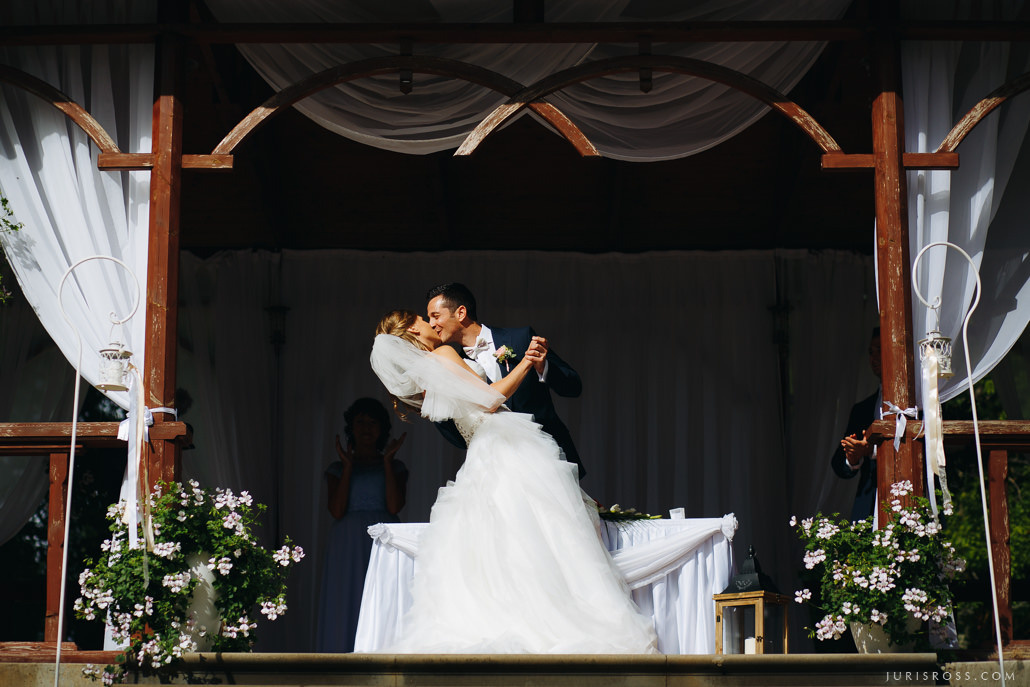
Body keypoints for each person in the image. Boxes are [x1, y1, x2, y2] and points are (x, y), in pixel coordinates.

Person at [368, 309, 658, 654]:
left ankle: (515, 620)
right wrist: (526, 362)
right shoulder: (443, 355)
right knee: (543, 533)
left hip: (483, 453)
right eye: (422, 319)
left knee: (508, 541)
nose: (430, 323)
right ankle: (558, 620)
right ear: (412, 330)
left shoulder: (428, 371)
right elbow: (489, 400)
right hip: (505, 447)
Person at [425, 282, 585, 478]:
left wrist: (543, 367)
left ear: (460, 313)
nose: (431, 324)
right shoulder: (452, 366)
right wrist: (433, 403)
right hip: (499, 468)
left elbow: (573, 387)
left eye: (435, 316)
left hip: (550, 457)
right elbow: (460, 438)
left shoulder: (520, 338)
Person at [316, 397, 408, 653]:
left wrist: (388, 462)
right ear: (351, 427)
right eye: (360, 421)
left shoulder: (397, 466)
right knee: (347, 599)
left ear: (382, 429)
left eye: (372, 422)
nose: (366, 427)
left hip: (384, 539)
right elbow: (336, 510)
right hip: (347, 543)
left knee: (383, 599)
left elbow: (394, 506)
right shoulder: (337, 468)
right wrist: (347, 467)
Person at [830, 327, 882, 521]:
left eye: (879, 349)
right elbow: (838, 463)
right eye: (871, 352)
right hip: (869, 506)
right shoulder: (862, 409)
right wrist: (853, 458)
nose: (874, 357)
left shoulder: (917, 405)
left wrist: (871, 450)